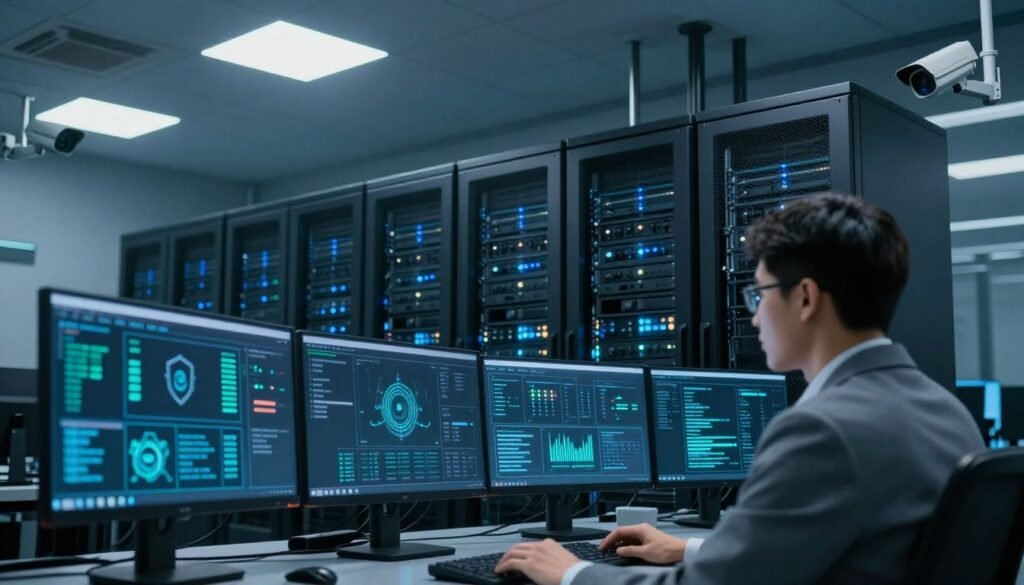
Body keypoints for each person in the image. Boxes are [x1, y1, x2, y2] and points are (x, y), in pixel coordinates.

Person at [494, 193, 984, 585]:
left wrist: (571, 573)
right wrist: (687, 546)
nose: (752, 315)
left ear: (806, 298)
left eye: (758, 293)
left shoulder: (821, 430)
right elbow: (848, 546)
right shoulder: (947, 411)